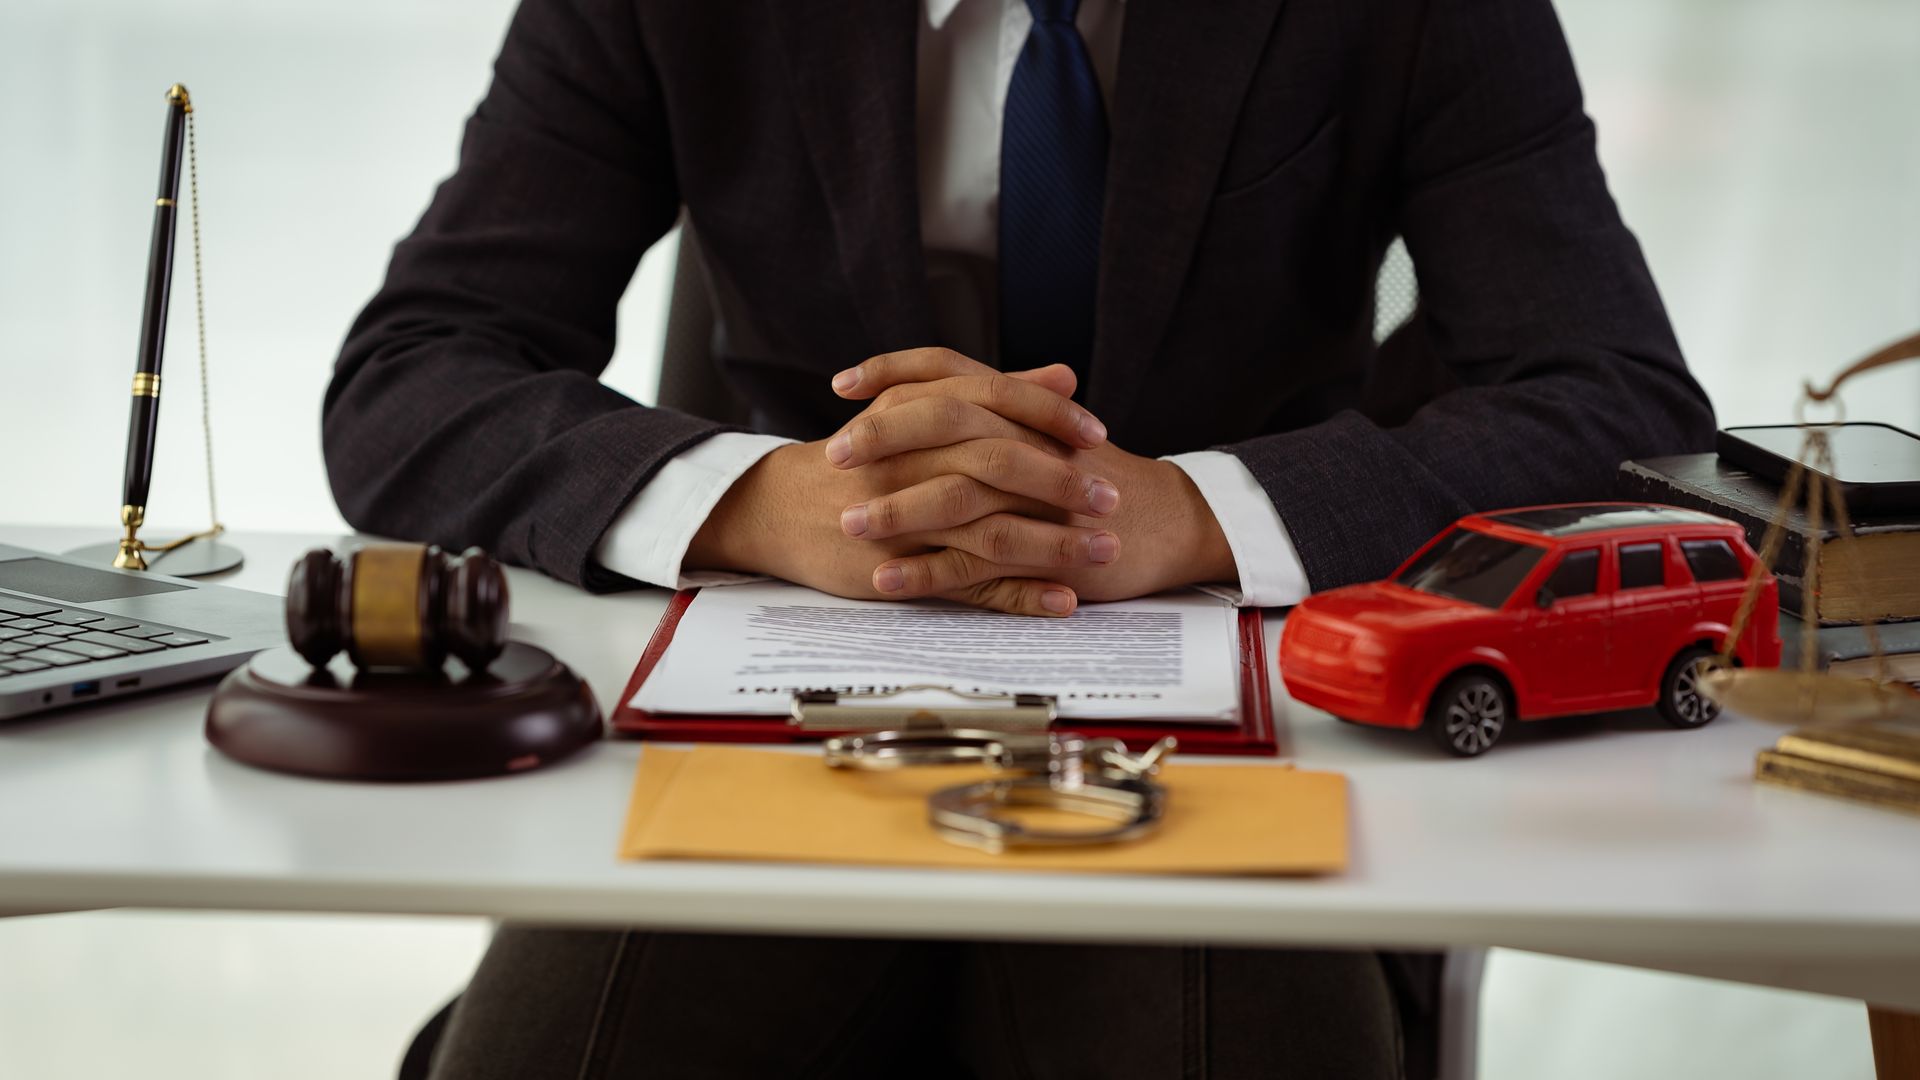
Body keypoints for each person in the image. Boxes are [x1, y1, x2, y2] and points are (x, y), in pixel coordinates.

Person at [327, 0, 1714, 1075]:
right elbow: (414, 373)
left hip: (1239, 738)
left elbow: (1617, 400)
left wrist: (1197, 512)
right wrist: (769, 505)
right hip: (779, 707)